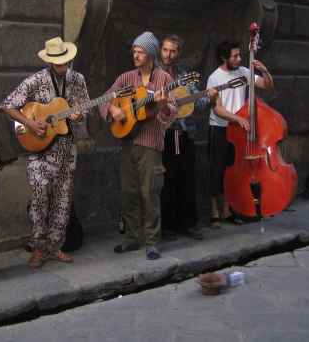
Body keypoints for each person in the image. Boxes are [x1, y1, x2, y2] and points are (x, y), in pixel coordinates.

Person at [1, 37, 89, 269]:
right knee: (40, 199)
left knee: (63, 201)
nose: (64, 66)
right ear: (50, 61)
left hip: (67, 150)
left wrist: (79, 116)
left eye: (66, 61)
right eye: (59, 62)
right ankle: (38, 248)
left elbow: (84, 107)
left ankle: (55, 247)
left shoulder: (78, 80)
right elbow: (8, 105)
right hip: (39, 152)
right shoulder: (35, 81)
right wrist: (29, 124)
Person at [100, 31, 177, 260]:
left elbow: (172, 113)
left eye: (140, 51)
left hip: (150, 143)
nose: (135, 55)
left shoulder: (164, 80)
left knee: (150, 192)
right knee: (128, 192)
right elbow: (105, 98)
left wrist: (163, 105)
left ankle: (152, 241)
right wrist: (113, 110)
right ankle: (132, 238)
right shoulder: (126, 78)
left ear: (151, 54)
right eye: (134, 50)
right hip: (127, 142)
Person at [206, 39, 274, 227]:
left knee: (232, 170)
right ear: (223, 58)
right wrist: (238, 119)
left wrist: (264, 70)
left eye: (239, 55)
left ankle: (228, 210)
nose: (239, 58)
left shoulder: (245, 72)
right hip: (220, 127)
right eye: (235, 56)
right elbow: (217, 109)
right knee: (217, 170)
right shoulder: (215, 78)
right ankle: (214, 212)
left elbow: (266, 85)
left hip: (238, 129)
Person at [159, 35, 218, 241]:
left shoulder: (185, 75)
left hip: (184, 133)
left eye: (172, 51)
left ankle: (188, 224)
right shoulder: (154, 75)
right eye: (165, 50)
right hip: (162, 134)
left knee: (187, 179)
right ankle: (167, 227)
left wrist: (208, 98)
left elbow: (197, 104)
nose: (168, 54)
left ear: (178, 53)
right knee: (166, 181)